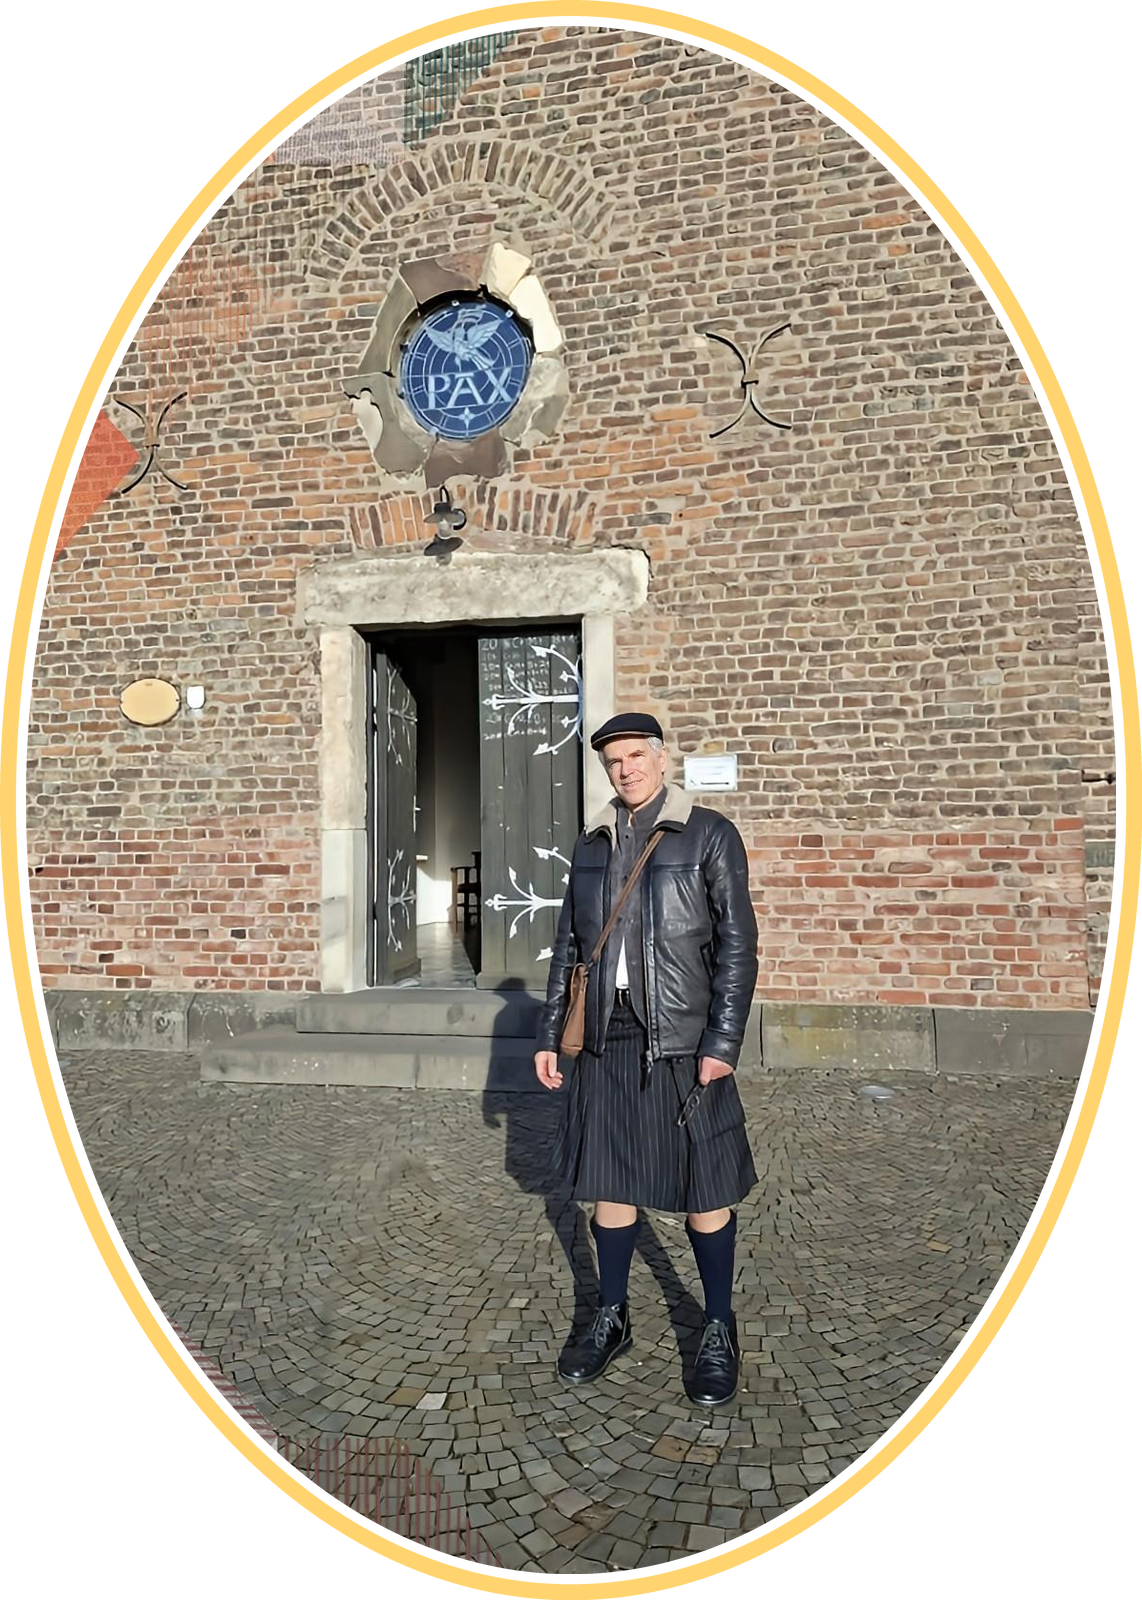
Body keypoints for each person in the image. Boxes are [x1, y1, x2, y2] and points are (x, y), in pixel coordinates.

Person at [534, 712, 758, 1406]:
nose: (625, 769)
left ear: (661, 759)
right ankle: (613, 1314)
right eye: (614, 761)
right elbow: (570, 947)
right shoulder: (593, 843)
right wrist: (550, 1034)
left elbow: (738, 945)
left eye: (636, 756)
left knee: (704, 1188)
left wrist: (722, 1043)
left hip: (684, 1039)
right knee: (611, 1182)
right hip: (608, 1034)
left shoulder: (709, 834)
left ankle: (717, 1326)